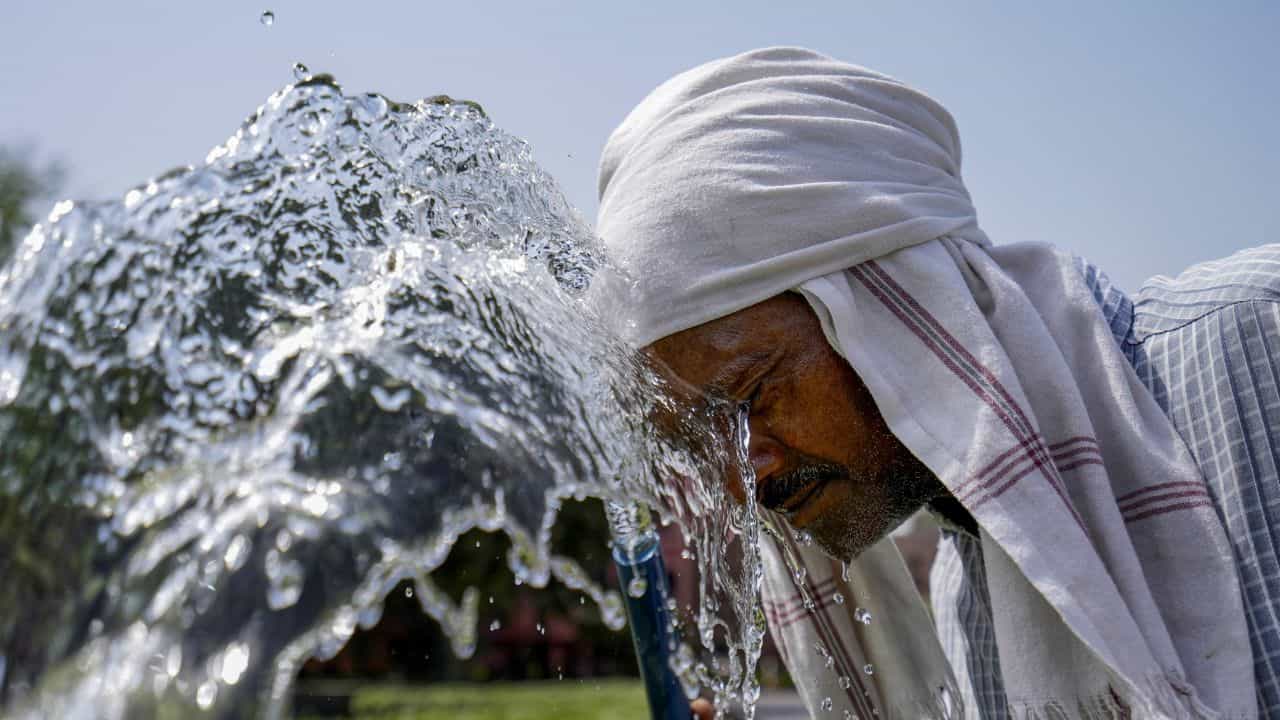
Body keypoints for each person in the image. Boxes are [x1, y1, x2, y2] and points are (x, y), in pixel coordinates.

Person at [591, 47, 1277, 719]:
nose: (744, 481)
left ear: (891, 302)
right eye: (697, 441)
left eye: (749, 398)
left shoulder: (1259, 349)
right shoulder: (972, 599)